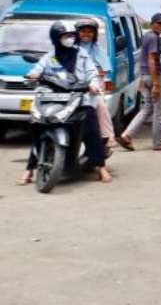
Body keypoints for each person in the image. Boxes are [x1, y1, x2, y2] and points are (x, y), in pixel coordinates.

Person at [19, 22, 111, 184]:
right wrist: (32, 76)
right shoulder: (49, 56)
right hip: (53, 98)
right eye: (65, 36)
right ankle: (30, 169)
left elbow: (92, 73)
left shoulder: (82, 54)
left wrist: (93, 84)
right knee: (38, 126)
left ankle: (101, 167)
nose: (70, 39)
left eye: (71, 36)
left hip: (79, 97)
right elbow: (36, 70)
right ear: (56, 38)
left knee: (91, 127)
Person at [115, 13, 161, 151]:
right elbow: (151, 60)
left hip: (146, 75)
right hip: (154, 76)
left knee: (147, 108)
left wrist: (143, 79)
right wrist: (155, 84)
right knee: (159, 111)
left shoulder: (147, 36)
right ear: (153, 23)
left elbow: (143, 59)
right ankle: (158, 143)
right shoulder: (153, 38)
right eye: (160, 23)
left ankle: (126, 135)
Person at [75, 18, 115, 154]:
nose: (86, 34)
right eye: (83, 31)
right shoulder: (70, 48)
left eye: (89, 31)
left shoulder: (98, 50)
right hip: (72, 85)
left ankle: (108, 137)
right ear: (77, 33)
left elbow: (104, 70)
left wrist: (91, 73)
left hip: (93, 83)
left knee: (100, 105)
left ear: (94, 34)